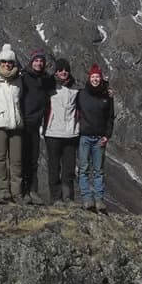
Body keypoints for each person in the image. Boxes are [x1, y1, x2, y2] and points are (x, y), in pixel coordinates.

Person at [0, 44, 23, 203]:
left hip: (15, 124)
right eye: (4, 62)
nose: (7, 65)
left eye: (10, 62)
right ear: (0, 62)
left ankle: (17, 192)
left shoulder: (19, 82)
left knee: (16, 160)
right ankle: (2, 191)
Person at [77, 63, 115, 213]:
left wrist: (107, 135)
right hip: (85, 137)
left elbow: (110, 117)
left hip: (100, 138)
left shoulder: (107, 95)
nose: (95, 79)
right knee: (84, 169)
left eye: (97, 77)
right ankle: (87, 199)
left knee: (98, 171)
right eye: (93, 77)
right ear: (89, 78)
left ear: (101, 78)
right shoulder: (82, 94)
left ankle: (99, 200)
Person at [43, 58, 80, 204]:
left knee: (69, 168)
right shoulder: (50, 87)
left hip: (71, 133)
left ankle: (68, 197)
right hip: (53, 133)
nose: (63, 72)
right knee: (54, 166)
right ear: (56, 72)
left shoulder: (76, 89)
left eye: (66, 70)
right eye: (60, 70)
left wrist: (106, 91)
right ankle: (55, 197)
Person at [19, 48, 53, 204]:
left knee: (33, 159)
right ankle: (23, 191)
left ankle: (33, 190)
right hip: (24, 123)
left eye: (41, 61)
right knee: (22, 158)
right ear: (31, 62)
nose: (39, 63)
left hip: (37, 125)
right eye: (36, 61)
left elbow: (62, 80)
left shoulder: (46, 79)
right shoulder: (24, 77)